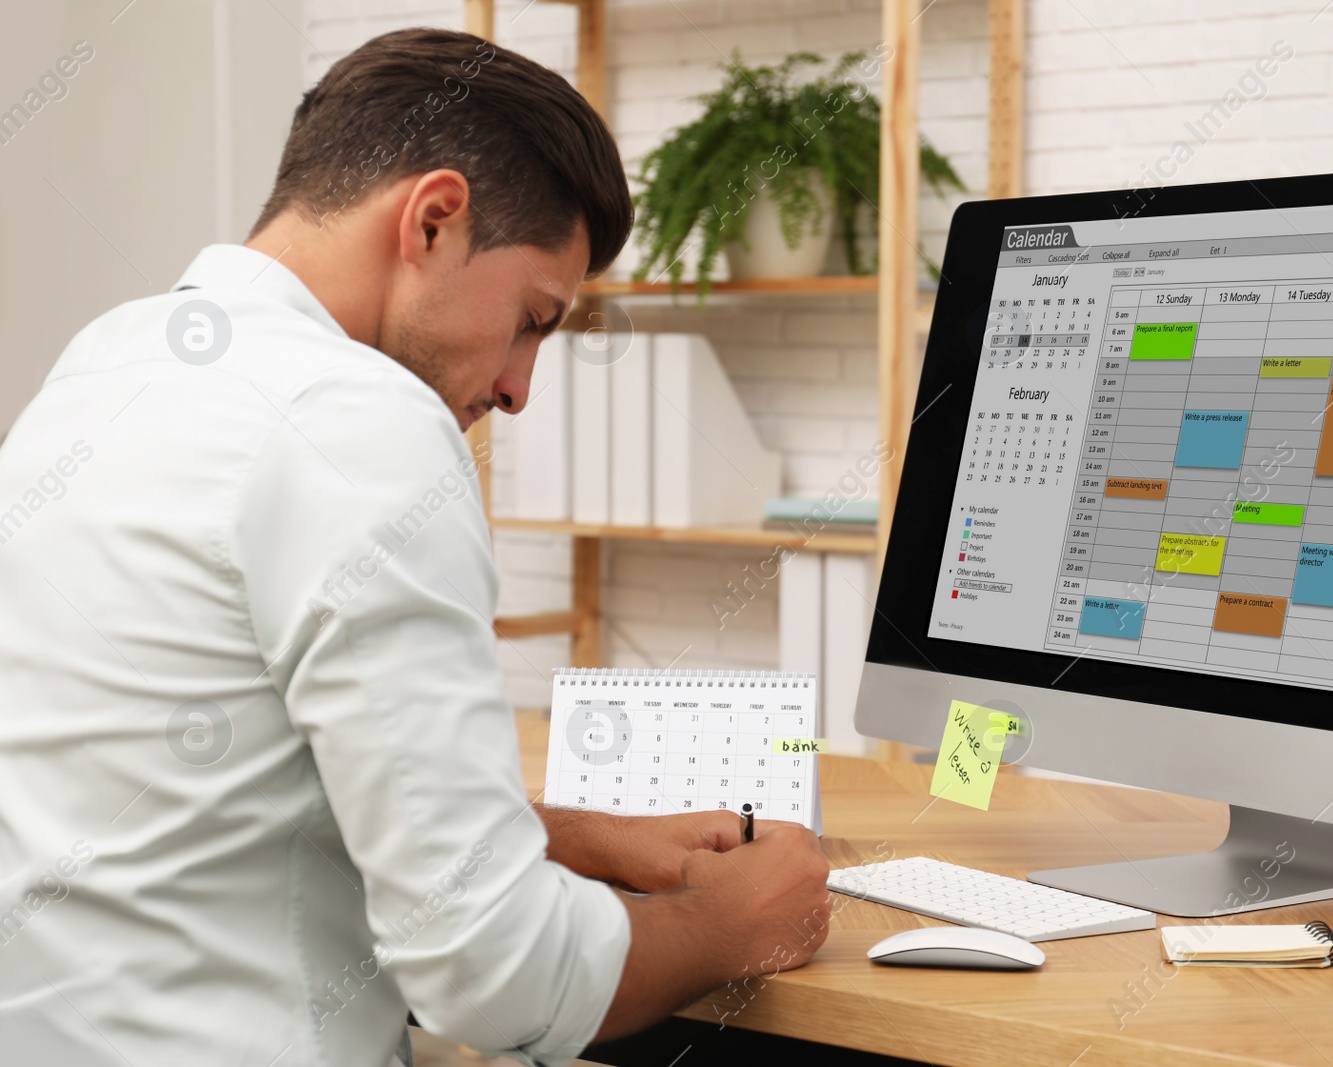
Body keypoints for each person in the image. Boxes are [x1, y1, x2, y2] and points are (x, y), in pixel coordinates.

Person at [0, 28, 830, 1067]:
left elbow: (208, 794)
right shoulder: (364, 424)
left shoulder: (101, 367)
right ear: (433, 220)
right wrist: (731, 923)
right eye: (533, 317)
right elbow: (490, 970)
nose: (521, 386)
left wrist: (568, 833)